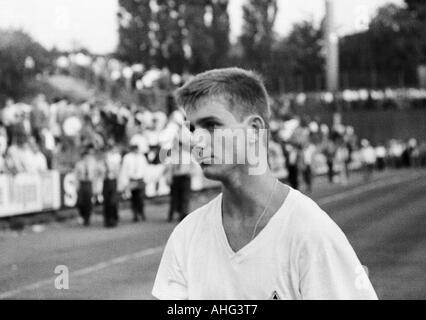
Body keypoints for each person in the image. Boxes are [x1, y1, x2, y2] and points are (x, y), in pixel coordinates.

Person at [152, 68, 377, 300]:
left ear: (254, 130)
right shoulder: (186, 235)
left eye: (211, 125)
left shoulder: (312, 233)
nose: (196, 140)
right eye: (192, 128)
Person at [120, 143, 148, 222]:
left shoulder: (142, 157)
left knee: (141, 198)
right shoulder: (127, 158)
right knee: (134, 199)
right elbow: (124, 170)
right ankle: (135, 214)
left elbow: (145, 168)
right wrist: (125, 183)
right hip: (132, 180)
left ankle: (141, 213)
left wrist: (146, 179)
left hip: (140, 179)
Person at [75, 145, 97, 226]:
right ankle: (83, 215)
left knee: (88, 202)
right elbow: (76, 176)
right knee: (80, 202)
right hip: (82, 183)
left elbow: (95, 176)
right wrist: (76, 186)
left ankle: (87, 218)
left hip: (89, 183)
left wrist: (95, 186)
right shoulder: (79, 164)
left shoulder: (93, 163)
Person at [101, 142, 122, 228]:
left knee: (113, 201)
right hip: (106, 181)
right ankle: (107, 219)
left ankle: (114, 218)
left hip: (114, 180)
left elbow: (116, 170)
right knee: (106, 201)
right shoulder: (105, 156)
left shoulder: (116, 157)